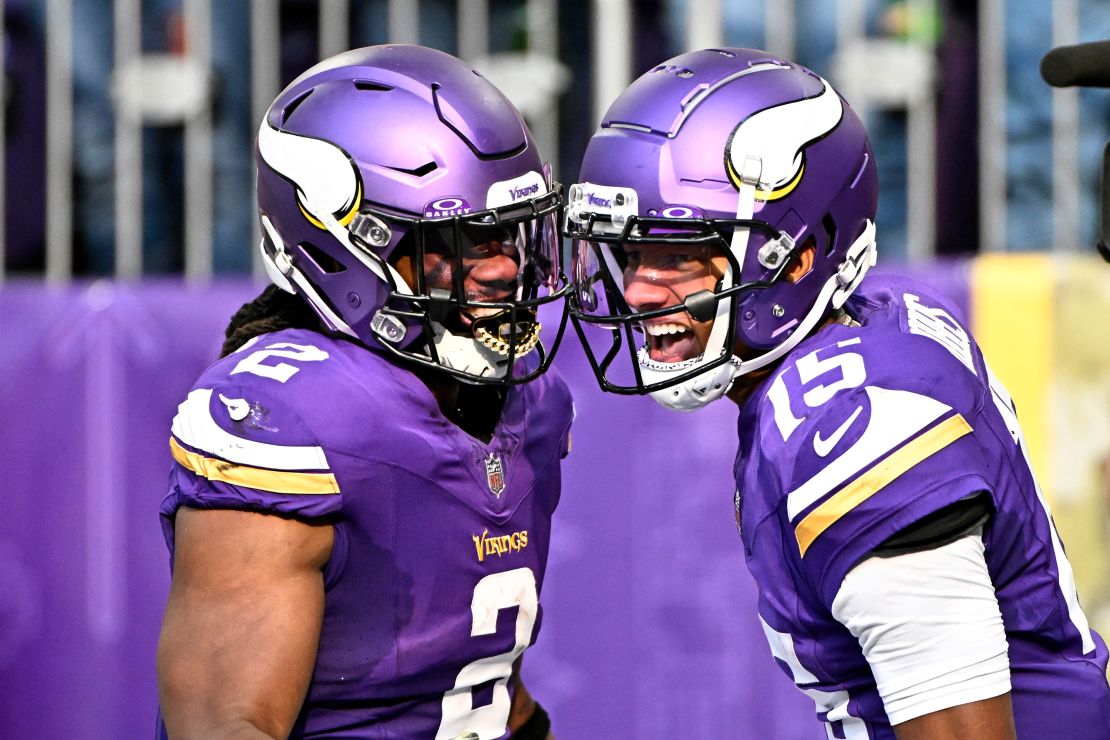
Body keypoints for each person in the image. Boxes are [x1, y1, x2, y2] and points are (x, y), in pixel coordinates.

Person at [565, 47, 1110, 739]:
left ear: (797, 253)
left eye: (678, 254)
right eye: (630, 255)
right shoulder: (869, 321)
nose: (639, 291)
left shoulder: (854, 424)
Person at [156, 44, 571, 740]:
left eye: (509, 235)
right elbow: (226, 724)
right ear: (345, 247)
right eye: (457, 243)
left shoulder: (529, 403)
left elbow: (480, 676)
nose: (503, 268)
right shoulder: (293, 417)